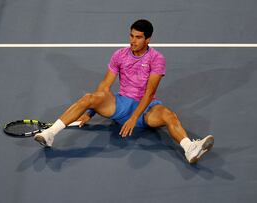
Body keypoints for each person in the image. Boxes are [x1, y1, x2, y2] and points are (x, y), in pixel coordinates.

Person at [34, 19, 214, 164]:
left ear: (148, 40)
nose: (132, 41)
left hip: (146, 109)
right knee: (89, 97)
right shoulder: (119, 55)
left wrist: (134, 117)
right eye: (131, 35)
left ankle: (189, 148)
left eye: (138, 37)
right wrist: (91, 111)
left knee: (169, 115)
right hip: (120, 104)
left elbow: (150, 92)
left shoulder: (157, 59)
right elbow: (105, 86)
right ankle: (51, 133)